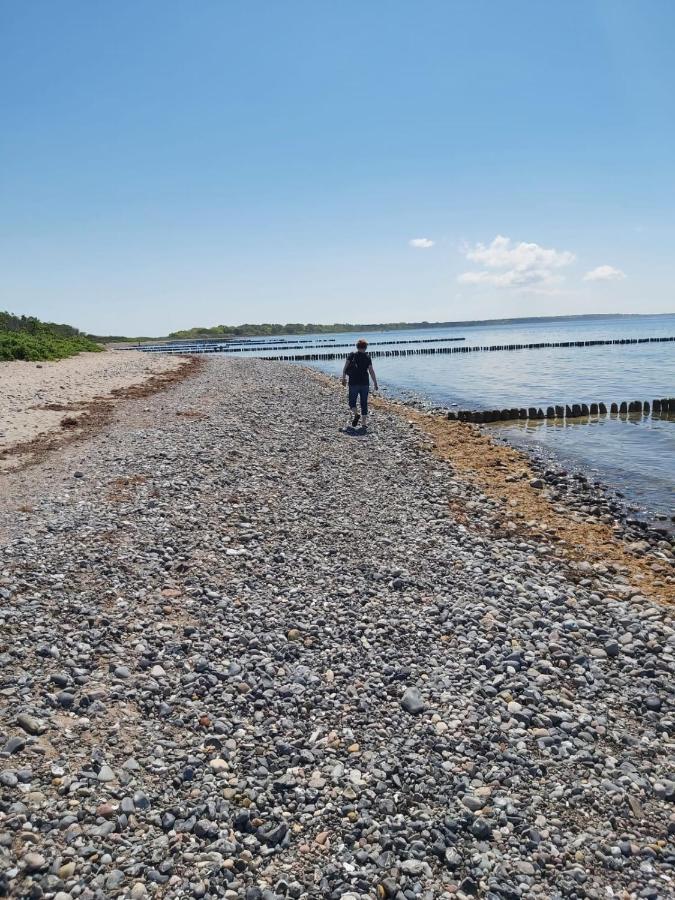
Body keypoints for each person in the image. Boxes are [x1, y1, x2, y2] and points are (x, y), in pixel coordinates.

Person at [341, 338, 378, 430]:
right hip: (365, 383)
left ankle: (356, 414)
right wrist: (375, 383)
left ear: (357, 347)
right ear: (365, 347)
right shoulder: (367, 357)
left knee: (352, 402)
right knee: (364, 403)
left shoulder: (352, 355)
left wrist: (344, 377)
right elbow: (371, 371)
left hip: (353, 382)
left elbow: (345, 368)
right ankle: (364, 423)